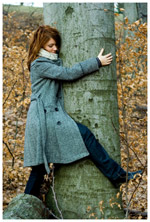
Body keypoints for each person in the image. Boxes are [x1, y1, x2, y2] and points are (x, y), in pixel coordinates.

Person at [24, 25, 142, 198]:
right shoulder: (40, 64)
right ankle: (117, 175)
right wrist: (96, 62)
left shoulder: (47, 62)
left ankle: (27, 203)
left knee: (40, 168)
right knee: (82, 135)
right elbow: (68, 73)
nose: (55, 48)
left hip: (48, 116)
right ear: (39, 46)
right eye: (50, 46)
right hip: (43, 117)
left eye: (56, 45)